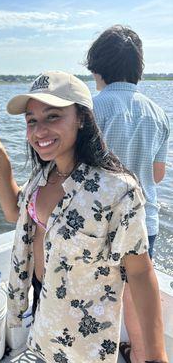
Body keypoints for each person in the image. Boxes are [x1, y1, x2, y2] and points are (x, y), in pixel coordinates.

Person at [0, 71, 168, 363]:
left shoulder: (118, 190)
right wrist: (1, 160)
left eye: (52, 116)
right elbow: (14, 212)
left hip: (85, 330)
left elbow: (140, 273)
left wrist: (156, 355)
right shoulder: (45, 174)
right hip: (44, 305)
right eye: (31, 120)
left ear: (81, 118)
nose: (39, 131)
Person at [85, 25, 170, 363]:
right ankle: (137, 353)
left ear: (96, 68)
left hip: (100, 225)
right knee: (136, 292)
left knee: (96, 293)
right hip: (144, 220)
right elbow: (157, 174)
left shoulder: (90, 109)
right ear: (139, 69)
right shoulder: (159, 113)